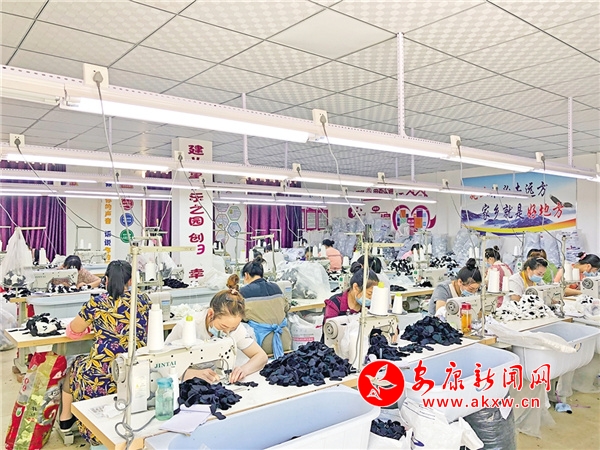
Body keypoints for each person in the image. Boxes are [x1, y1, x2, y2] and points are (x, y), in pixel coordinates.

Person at [59, 260, 150, 445]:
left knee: (75, 365)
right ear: (131, 281)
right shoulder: (143, 301)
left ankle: (65, 419)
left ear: (106, 280)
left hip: (101, 371)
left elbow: (73, 330)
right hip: (135, 367)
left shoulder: (96, 303)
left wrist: (93, 328)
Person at [165, 275, 268, 383]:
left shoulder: (234, 328)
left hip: (215, 381)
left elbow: (261, 356)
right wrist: (187, 373)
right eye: (223, 327)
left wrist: (244, 370)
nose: (227, 333)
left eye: (233, 329)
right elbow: (159, 364)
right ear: (210, 314)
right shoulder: (186, 327)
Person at [239, 259, 291, 356]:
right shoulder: (276, 287)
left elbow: (239, 317)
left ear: (246, 275)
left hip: (261, 346)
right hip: (284, 341)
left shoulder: (243, 292)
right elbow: (287, 308)